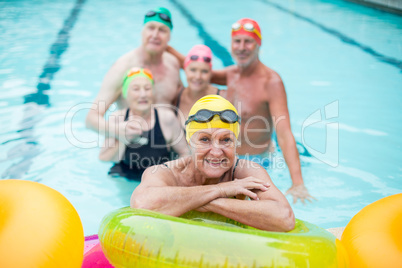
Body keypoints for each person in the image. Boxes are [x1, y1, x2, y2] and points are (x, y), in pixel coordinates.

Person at [131, 95, 295, 232]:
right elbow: (141, 204)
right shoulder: (166, 173)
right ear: (190, 142)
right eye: (204, 139)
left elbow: (284, 218)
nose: (216, 152)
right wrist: (221, 190)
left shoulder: (245, 172)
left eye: (226, 140)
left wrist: (204, 202)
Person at [86, 7, 182, 143]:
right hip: (132, 151)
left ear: (169, 36)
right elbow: (91, 119)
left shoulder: (172, 64)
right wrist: (117, 130)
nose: (155, 35)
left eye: (162, 30)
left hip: (168, 147)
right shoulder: (122, 67)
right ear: (142, 31)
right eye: (151, 28)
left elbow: (181, 101)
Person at [99, 68, 189, 180]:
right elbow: (104, 157)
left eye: (147, 89)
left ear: (154, 92)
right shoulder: (117, 119)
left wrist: (169, 173)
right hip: (125, 177)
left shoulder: (166, 118)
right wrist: (123, 139)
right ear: (125, 93)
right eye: (136, 89)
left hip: (159, 180)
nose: (143, 94)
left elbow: (185, 153)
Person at [174, 44, 221, 127]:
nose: (198, 76)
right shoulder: (176, 97)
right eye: (193, 70)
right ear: (185, 70)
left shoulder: (221, 98)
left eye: (204, 71)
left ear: (210, 73)